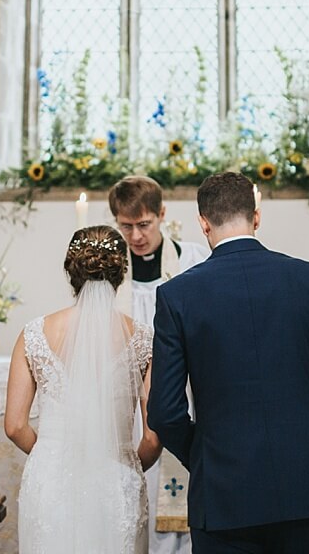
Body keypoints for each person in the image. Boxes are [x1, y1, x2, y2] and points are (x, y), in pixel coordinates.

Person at [148, 171, 309, 554]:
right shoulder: (308, 280)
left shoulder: (177, 296)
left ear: (203, 222)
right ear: (257, 216)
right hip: (305, 485)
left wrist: (204, 456)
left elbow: (165, 412)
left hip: (223, 491)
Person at [5, 225, 161, 554]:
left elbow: (15, 426)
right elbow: (153, 436)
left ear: (70, 271)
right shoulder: (144, 339)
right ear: (122, 272)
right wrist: (127, 464)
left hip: (50, 479)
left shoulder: (33, 333)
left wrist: (50, 453)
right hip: (116, 479)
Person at [108, 175, 209, 554]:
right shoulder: (111, 276)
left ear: (162, 214)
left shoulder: (194, 260)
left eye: (144, 224)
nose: (135, 236)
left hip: (186, 395)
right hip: (132, 402)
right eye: (126, 226)